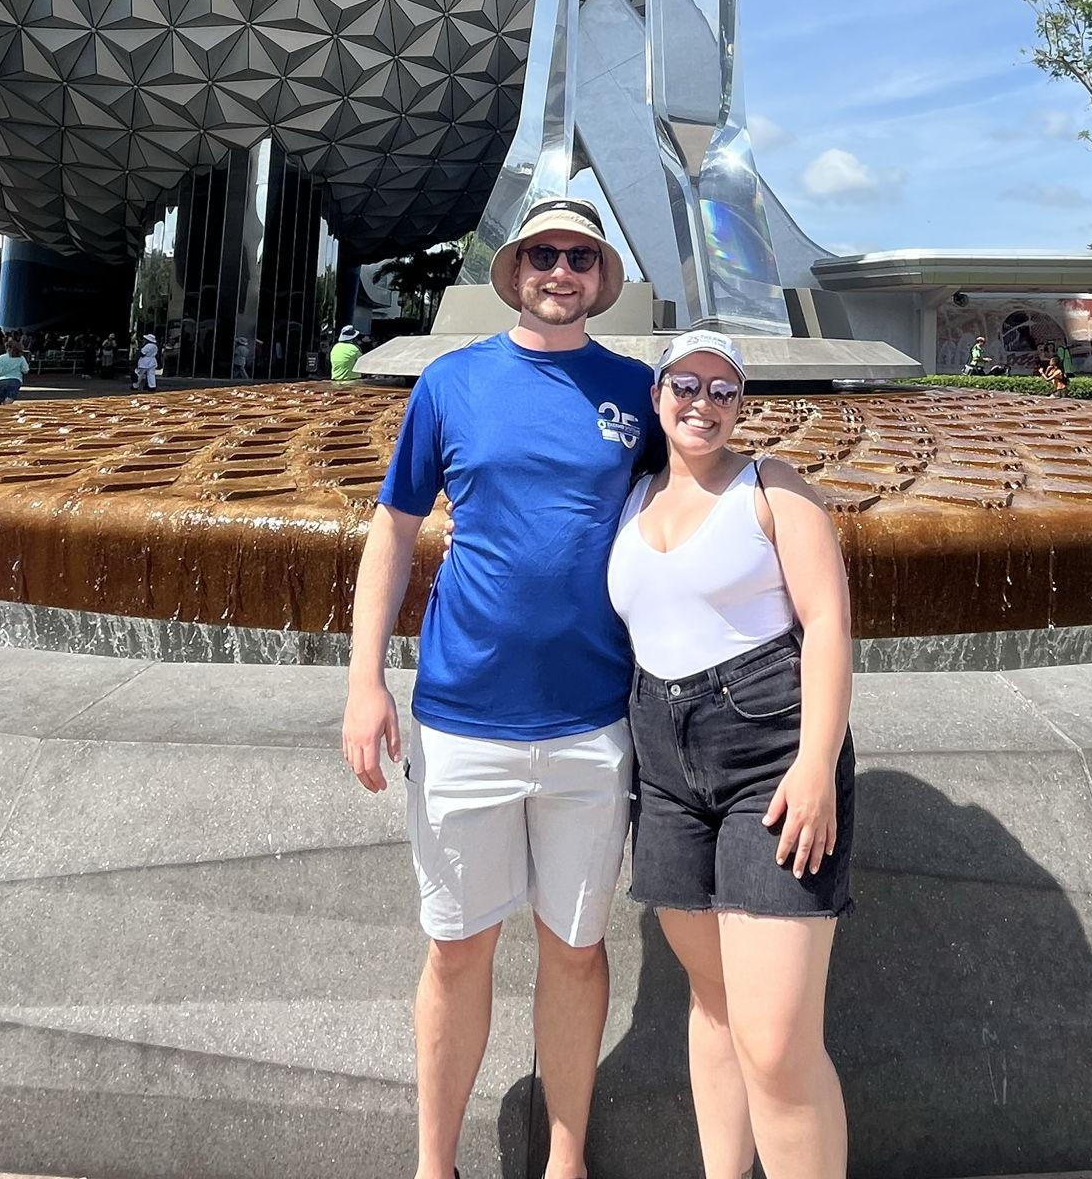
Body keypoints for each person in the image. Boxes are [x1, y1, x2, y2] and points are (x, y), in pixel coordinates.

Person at [343, 198, 657, 1179]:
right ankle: (433, 1163)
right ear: (515, 269)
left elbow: (687, 515)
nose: (558, 268)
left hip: (590, 720)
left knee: (574, 947)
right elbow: (392, 531)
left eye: (577, 255)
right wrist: (364, 682)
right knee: (455, 947)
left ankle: (566, 1156)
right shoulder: (450, 382)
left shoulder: (638, 390)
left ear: (598, 275)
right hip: (463, 716)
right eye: (541, 253)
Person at [609, 330, 854, 1179]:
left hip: (769, 757)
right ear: (658, 396)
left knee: (777, 1039)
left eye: (722, 391)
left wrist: (816, 763)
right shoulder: (631, 497)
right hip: (664, 768)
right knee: (713, 1006)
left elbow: (826, 625)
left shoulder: (774, 489)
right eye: (685, 385)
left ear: (741, 406)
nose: (701, 403)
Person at [0, 335, 31, 404]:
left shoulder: (0, 358)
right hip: (15, 381)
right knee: (9, 400)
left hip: (1, 381)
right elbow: (26, 370)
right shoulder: (21, 358)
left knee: (1, 400)